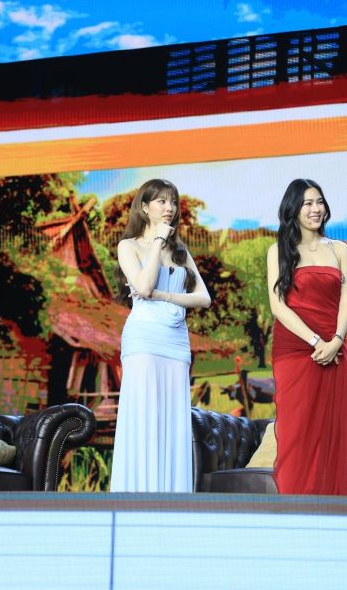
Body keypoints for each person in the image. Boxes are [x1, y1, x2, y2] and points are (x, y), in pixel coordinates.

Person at [111, 179, 211, 492]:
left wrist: (166, 296)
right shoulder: (128, 246)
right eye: (161, 201)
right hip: (144, 340)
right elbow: (143, 287)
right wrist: (157, 241)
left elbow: (203, 298)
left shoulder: (180, 252)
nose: (169, 208)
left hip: (176, 343)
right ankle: (138, 498)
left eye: (173, 202)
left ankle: (172, 499)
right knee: (144, 419)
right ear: (144, 207)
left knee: (173, 422)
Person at [266, 178, 347, 495]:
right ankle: (294, 508)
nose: (315, 209)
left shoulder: (340, 249)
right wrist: (316, 342)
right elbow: (277, 305)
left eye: (319, 202)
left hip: (335, 350)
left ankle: (329, 510)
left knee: (331, 431)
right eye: (307, 203)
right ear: (293, 209)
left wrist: (336, 341)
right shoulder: (278, 251)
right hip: (295, 350)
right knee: (296, 431)